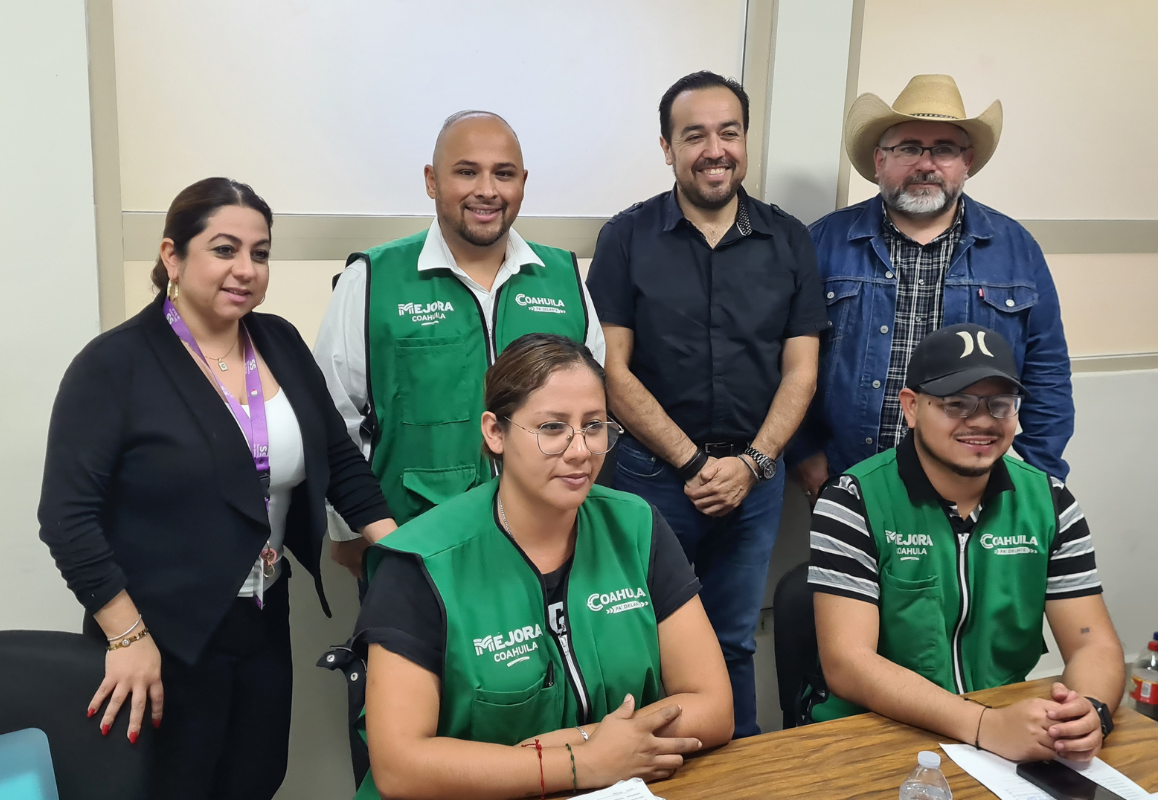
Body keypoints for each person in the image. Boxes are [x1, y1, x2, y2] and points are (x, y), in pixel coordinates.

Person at [37, 178, 395, 800]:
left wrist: (403, 557)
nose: (245, 269)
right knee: (171, 784)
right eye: (224, 249)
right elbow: (67, 516)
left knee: (253, 777)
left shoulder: (278, 340)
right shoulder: (115, 365)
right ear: (172, 256)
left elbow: (337, 459)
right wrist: (127, 637)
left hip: (260, 613)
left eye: (260, 253)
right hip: (159, 628)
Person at [352, 333, 733, 800]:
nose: (580, 450)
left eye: (594, 426)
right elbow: (400, 766)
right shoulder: (420, 562)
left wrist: (581, 746)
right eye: (552, 427)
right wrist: (581, 763)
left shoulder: (634, 525)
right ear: (495, 432)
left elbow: (712, 707)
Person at [586, 71, 829, 737]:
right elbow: (614, 370)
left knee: (733, 642)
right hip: (651, 479)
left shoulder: (789, 241)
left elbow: (801, 371)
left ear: (746, 141)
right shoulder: (627, 238)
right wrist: (693, 463)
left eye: (729, 132)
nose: (714, 149)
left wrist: (750, 463)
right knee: (635, 643)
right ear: (667, 147)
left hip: (757, 483)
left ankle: (737, 777)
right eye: (694, 135)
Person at [807, 323, 1124, 762]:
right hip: (873, 733)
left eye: (1000, 404)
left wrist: (1088, 713)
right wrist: (982, 725)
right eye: (957, 404)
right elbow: (848, 663)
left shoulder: (1050, 502)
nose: (981, 421)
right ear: (912, 407)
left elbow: (1094, 643)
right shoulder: (852, 499)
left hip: (1004, 731)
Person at [314, 109, 606, 575]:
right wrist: (353, 534)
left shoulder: (566, 280)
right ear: (432, 180)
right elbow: (332, 424)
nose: (487, 190)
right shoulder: (371, 280)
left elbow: (591, 421)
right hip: (418, 549)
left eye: (503, 174)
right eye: (466, 171)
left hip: (548, 552)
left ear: (523, 182)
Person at [794, 74, 1073, 501]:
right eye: (907, 148)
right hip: (850, 479)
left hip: (974, 482)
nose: (926, 163)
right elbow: (783, 355)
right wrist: (802, 453)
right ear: (879, 161)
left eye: (943, 149)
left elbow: (1047, 371)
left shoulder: (1016, 249)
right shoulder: (823, 243)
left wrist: (1038, 477)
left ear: (967, 162)